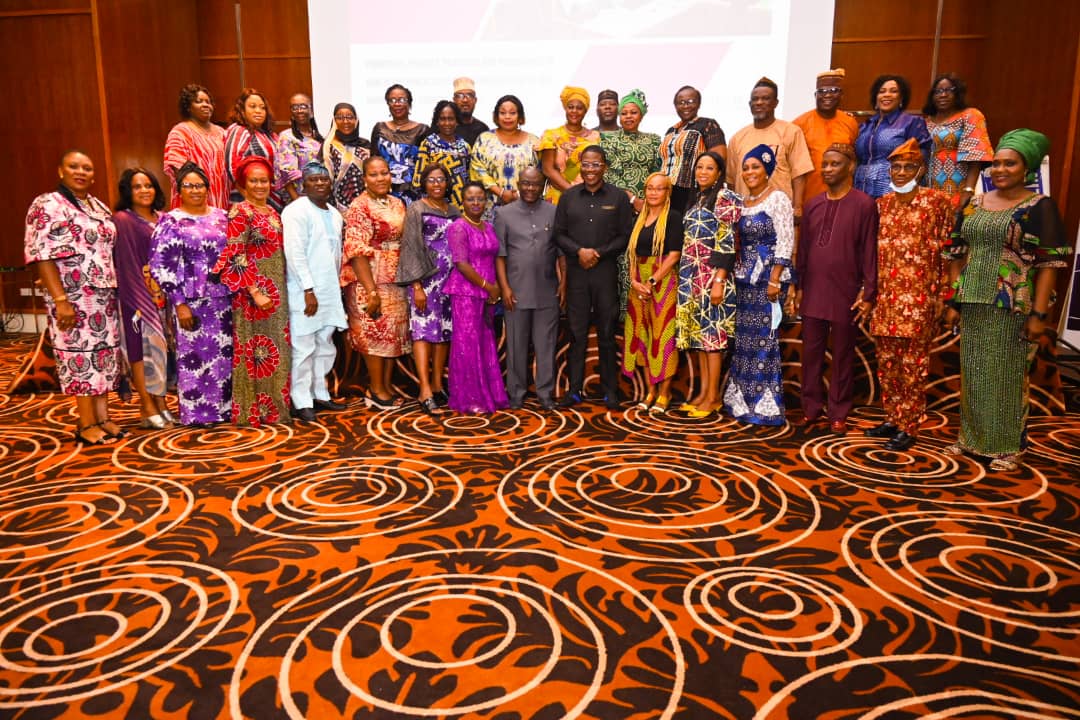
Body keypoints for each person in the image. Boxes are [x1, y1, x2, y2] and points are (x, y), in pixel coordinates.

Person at [942, 129, 1070, 471]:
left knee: (1008, 374)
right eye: (995, 163)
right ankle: (970, 437)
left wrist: (1039, 314)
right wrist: (954, 299)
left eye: (1009, 163)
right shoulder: (974, 204)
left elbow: (1049, 265)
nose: (999, 170)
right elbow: (956, 251)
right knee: (973, 371)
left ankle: (1009, 444)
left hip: (1014, 303)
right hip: (973, 298)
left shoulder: (1038, 207)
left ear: (1026, 168)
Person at [24, 150, 124, 445]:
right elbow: (42, 255)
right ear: (60, 171)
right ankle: (86, 423)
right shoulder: (48, 204)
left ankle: (103, 417)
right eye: (74, 166)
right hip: (73, 297)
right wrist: (60, 300)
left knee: (104, 356)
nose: (81, 172)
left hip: (105, 295)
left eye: (87, 168)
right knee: (79, 357)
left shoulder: (96, 205)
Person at [865, 138, 953, 451]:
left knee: (913, 367)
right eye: (896, 167)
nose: (901, 172)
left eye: (908, 167)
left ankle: (909, 424)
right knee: (888, 363)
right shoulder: (881, 205)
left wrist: (945, 297)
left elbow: (948, 252)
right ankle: (892, 417)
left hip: (919, 300)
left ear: (921, 169)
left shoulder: (936, 202)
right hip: (887, 301)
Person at [795, 144, 878, 434]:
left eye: (834, 164)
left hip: (846, 291)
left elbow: (870, 251)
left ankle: (838, 412)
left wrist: (868, 292)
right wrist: (800, 286)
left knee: (843, 355)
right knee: (811, 354)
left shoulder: (865, 204)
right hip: (814, 289)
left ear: (850, 167)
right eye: (825, 164)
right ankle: (810, 409)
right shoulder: (813, 204)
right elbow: (803, 250)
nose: (828, 169)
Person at [149, 162, 233, 426]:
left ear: (208, 188)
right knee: (195, 357)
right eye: (189, 186)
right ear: (179, 190)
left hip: (224, 298)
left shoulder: (222, 216)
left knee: (223, 357)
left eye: (200, 185)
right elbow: (161, 265)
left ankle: (224, 409)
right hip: (192, 301)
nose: (195, 190)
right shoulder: (171, 221)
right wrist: (179, 304)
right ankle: (198, 413)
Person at [211, 156, 291, 427]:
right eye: (253, 181)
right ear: (244, 185)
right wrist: (255, 292)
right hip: (253, 294)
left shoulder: (272, 213)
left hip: (277, 291)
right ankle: (252, 411)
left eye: (264, 181)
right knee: (255, 351)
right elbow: (235, 253)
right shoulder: (240, 212)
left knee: (275, 350)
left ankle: (274, 410)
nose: (260, 186)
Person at [554, 145, 634, 409]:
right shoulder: (568, 197)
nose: (590, 170)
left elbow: (625, 236)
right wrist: (579, 252)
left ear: (604, 167)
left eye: (596, 164)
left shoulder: (618, 197)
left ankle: (611, 391)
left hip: (605, 273)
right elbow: (559, 234)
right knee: (576, 333)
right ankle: (574, 390)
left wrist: (597, 253)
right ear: (580, 165)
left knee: (607, 333)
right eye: (586, 165)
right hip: (576, 274)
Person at [724, 146, 794, 426]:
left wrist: (776, 278)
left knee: (764, 342)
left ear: (768, 169)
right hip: (744, 281)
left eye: (755, 167)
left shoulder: (778, 198)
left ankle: (765, 406)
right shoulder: (743, 202)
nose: (749, 172)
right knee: (744, 342)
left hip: (768, 281)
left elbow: (786, 239)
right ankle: (741, 401)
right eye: (745, 167)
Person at [281, 161, 348, 423]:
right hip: (304, 290)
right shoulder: (295, 211)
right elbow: (295, 253)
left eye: (324, 179)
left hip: (329, 289)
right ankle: (301, 400)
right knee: (303, 346)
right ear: (303, 184)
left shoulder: (334, 213)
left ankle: (319, 393)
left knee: (325, 344)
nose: (320, 183)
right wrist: (308, 289)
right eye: (313, 180)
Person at [675, 151, 740, 417]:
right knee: (702, 340)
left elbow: (727, 242)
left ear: (719, 173)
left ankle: (713, 397)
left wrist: (719, 281)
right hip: (693, 277)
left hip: (713, 278)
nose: (702, 172)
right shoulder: (697, 198)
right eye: (699, 167)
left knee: (714, 340)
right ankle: (703, 393)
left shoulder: (725, 198)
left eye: (709, 168)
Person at [341, 156, 409, 409]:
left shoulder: (397, 203)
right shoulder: (359, 206)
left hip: (395, 279)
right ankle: (375, 390)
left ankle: (386, 385)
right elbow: (356, 250)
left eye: (384, 173)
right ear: (364, 178)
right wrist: (370, 291)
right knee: (373, 335)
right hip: (369, 279)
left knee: (391, 335)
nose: (380, 178)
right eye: (373, 174)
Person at [495, 166, 562, 411]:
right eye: (526, 183)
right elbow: (500, 255)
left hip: (547, 290)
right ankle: (516, 393)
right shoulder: (503, 214)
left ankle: (545, 394)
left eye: (535, 184)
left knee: (546, 345)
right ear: (518, 183)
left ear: (543, 185)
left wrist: (563, 282)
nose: (530, 188)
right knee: (516, 345)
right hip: (516, 291)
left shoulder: (554, 212)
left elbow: (561, 253)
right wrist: (504, 288)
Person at [397, 164, 460, 415]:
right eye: (432, 180)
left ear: (447, 183)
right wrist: (416, 285)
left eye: (441, 179)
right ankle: (424, 389)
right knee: (423, 333)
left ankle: (436, 384)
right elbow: (410, 246)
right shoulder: (417, 208)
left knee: (444, 332)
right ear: (424, 183)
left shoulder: (454, 210)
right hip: (425, 282)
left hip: (450, 281)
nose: (437, 184)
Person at [113, 168, 174, 429]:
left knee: (161, 351)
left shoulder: (164, 218)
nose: (144, 190)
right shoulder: (123, 220)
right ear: (128, 192)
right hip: (135, 296)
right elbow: (124, 261)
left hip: (163, 295)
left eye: (148, 185)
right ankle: (146, 405)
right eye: (137, 186)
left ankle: (161, 402)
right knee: (138, 351)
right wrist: (140, 294)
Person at [444, 182, 509, 414]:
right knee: (467, 344)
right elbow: (461, 263)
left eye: (480, 198)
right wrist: (488, 287)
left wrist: (495, 289)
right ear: (462, 201)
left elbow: (494, 258)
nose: (475, 203)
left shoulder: (488, 227)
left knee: (484, 342)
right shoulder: (458, 227)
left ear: (486, 201)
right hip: (466, 292)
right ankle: (469, 397)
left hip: (488, 292)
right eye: (470, 198)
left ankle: (488, 393)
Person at [622, 173, 682, 413]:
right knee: (643, 338)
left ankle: (664, 394)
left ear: (667, 193)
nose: (654, 193)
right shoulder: (639, 218)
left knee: (663, 337)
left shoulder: (674, 218)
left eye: (659, 189)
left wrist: (652, 280)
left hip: (663, 281)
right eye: (649, 188)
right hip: (639, 285)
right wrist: (635, 281)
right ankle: (650, 391)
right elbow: (633, 254)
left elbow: (675, 254)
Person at [726, 78, 814, 224]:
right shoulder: (737, 138)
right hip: (746, 215)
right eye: (755, 99)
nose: (759, 102)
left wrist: (797, 206)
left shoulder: (790, 132)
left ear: (775, 103)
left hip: (779, 213)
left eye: (765, 98)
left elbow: (799, 173)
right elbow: (731, 181)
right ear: (750, 104)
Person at [854, 75, 931, 198]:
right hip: (860, 190)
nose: (887, 95)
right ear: (876, 98)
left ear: (901, 98)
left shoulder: (911, 123)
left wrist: (906, 192)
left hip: (893, 192)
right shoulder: (865, 126)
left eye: (893, 91)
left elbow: (920, 161)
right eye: (881, 91)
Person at [922, 73, 993, 207]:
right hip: (928, 187)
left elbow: (976, 156)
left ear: (958, 93)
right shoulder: (926, 121)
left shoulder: (970, 115)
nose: (943, 95)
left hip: (958, 185)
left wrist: (968, 190)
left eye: (949, 90)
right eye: (938, 91)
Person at [224, 88, 299, 211]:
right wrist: (250, 200)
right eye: (252, 106)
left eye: (262, 107)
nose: (258, 111)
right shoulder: (240, 130)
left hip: (270, 199)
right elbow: (232, 167)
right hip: (247, 200)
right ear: (242, 110)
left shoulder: (270, 135)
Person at [793, 69, 859, 204]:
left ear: (841, 95)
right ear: (815, 95)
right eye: (822, 91)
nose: (827, 95)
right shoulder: (799, 124)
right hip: (809, 197)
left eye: (834, 90)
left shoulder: (850, 122)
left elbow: (854, 158)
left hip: (842, 196)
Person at [660, 86, 727, 213]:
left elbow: (719, 159)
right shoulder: (670, 130)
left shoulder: (707, 125)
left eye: (691, 101)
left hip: (691, 192)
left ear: (699, 104)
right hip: (666, 192)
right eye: (681, 102)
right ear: (675, 106)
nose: (686, 106)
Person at [470, 95, 540, 212]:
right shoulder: (484, 139)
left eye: (512, 113)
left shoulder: (534, 141)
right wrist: (500, 192)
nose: (507, 117)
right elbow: (477, 169)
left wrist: (518, 194)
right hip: (490, 206)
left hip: (526, 205)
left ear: (520, 116)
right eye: (503, 113)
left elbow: (540, 172)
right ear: (496, 116)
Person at [163, 84, 228, 209]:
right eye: (198, 101)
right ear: (188, 107)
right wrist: (197, 190)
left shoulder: (223, 133)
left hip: (221, 199)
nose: (205, 105)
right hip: (193, 201)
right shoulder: (180, 132)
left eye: (208, 102)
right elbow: (179, 172)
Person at [601, 89, 661, 215]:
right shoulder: (608, 138)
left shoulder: (653, 140)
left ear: (641, 115)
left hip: (649, 203)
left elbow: (656, 172)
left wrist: (650, 199)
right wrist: (633, 200)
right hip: (617, 203)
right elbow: (609, 175)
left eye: (633, 112)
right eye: (624, 113)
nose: (628, 116)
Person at [538, 86, 601, 204]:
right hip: (558, 198)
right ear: (565, 109)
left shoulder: (595, 137)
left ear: (585, 110)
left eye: (579, 108)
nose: (574, 111)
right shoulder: (551, 135)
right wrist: (574, 193)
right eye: (570, 107)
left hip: (589, 198)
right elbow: (548, 169)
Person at [370, 83, 429, 203]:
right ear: (388, 104)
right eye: (392, 100)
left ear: (409, 103)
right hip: (383, 192)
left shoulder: (422, 130)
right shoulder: (379, 128)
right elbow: (372, 161)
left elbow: (426, 166)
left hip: (414, 193)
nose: (397, 103)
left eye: (402, 99)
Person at [412, 100, 471, 211]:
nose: (447, 123)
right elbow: (418, 179)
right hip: (433, 205)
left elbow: (469, 179)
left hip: (460, 207)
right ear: (437, 121)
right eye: (443, 119)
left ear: (457, 121)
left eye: (451, 119)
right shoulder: (428, 144)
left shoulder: (465, 146)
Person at [321, 102, 372, 213]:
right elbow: (322, 177)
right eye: (340, 117)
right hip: (336, 205)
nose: (345, 121)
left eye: (349, 117)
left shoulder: (366, 144)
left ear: (356, 120)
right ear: (334, 121)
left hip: (366, 204)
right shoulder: (327, 146)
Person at [278, 92, 324, 200]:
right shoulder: (287, 137)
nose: (299, 110)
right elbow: (286, 175)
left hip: (319, 196)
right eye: (295, 107)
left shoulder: (319, 137)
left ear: (311, 111)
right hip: (299, 198)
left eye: (303, 106)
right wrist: (297, 202)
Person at [452, 77, 489, 147]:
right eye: (460, 96)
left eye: (469, 95)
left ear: (475, 100)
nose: (465, 100)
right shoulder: (444, 127)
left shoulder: (483, 129)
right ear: (454, 100)